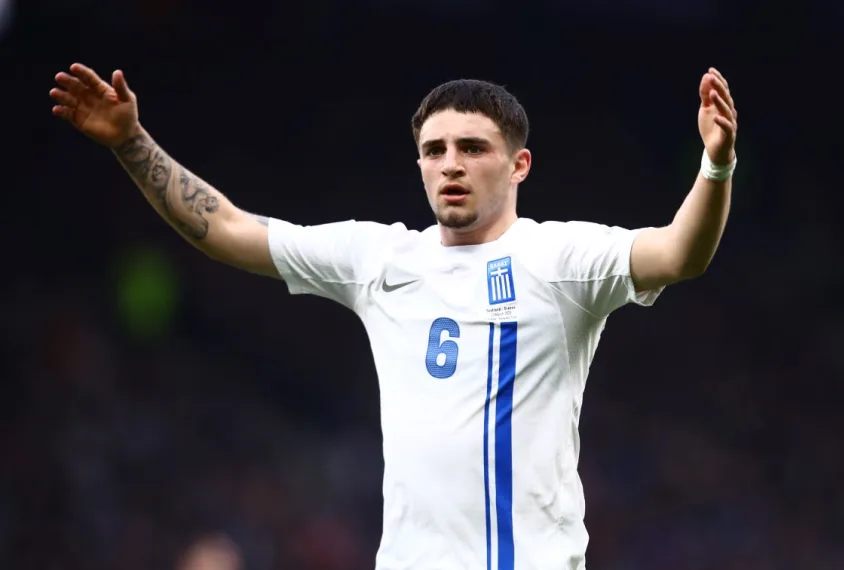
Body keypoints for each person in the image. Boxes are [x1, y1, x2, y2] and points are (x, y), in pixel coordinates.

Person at [50, 63, 738, 570]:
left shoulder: (560, 258)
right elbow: (228, 230)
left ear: (519, 165)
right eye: (435, 151)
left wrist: (715, 165)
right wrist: (131, 142)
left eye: (473, 148)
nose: (451, 165)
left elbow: (681, 253)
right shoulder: (380, 259)